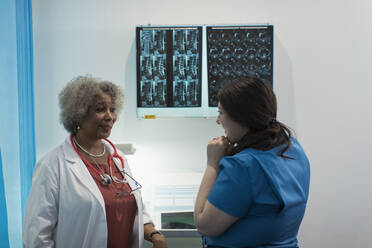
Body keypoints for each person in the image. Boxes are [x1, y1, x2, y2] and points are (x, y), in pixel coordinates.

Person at [23, 75, 167, 248]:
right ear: (78, 114)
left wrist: (154, 234)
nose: (110, 117)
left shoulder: (118, 159)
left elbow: (136, 209)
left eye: (113, 109)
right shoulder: (53, 165)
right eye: (100, 109)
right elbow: (37, 237)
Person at [194, 76, 310, 248]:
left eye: (221, 113)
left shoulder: (242, 167)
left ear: (241, 117)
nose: (218, 121)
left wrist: (212, 163)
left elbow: (204, 225)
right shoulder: (292, 148)